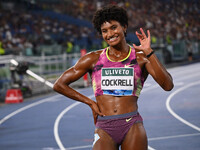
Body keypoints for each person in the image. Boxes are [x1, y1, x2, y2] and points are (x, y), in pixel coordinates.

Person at [53, 5, 174, 150]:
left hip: (132, 124)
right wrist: (90, 103)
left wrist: (149, 52)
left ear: (124, 27)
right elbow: (59, 84)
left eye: (114, 27)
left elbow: (168, 86)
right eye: (104, 31)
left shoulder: (141, 58)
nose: (110, 34)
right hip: (104, 125)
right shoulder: (93, 59)